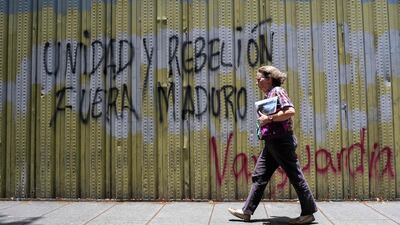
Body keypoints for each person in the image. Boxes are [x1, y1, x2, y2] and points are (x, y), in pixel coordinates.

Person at [228, 66, 317, 224]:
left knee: (295, 176)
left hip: (282, 141)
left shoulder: (277, 91)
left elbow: (290, 111)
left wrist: (269, 119)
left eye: (259, 79)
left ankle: (308, 212)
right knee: (260, 175)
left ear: (269, 78)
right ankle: (246, 211)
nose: (257, 82)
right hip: (272, 142)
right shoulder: (269, 94)